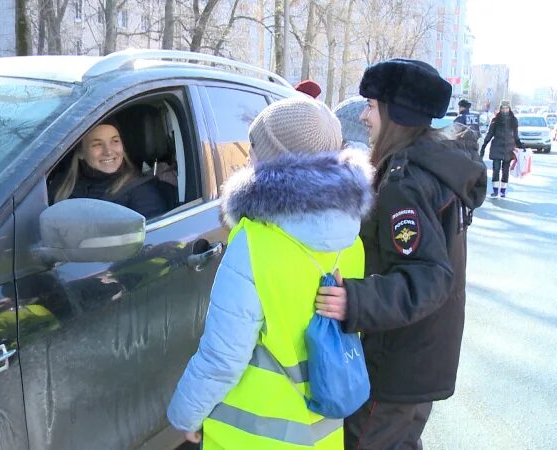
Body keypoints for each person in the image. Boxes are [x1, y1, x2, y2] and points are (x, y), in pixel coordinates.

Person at [167, 96, 374, 449]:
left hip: (253, 434)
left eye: (253, 147)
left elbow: (223, 356)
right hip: (320, 432)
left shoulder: (255, 241)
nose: (247, 157)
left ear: (274, 157)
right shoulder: (351, 241)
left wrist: (185, 414)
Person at [314, 58, 487, 449]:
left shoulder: (405, 183)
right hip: (419, 356)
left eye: (372, 106)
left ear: (396, 114)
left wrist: (353, 299)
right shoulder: (436, 167)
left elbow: (428, 276)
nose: (364, 115)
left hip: (396, 362)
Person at [50, 120, 168, 218]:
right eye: (97, 144)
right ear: (81, 152)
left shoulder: (141, 191)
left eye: (115, 141)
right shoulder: (60, 185)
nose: (108, 151)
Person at [480, 100, 523, 197]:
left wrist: (520, 146)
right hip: (497, 148)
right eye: (503, 108)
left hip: (509, 149)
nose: (505, 110)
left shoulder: (513, 120)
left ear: (509, 108)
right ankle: (495, 191)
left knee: (505, 171)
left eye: (506, 108)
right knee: (496, 169)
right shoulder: (495, 120)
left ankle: (503, 191)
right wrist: (484, 145)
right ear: (500, 108)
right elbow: (490, 134)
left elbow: (516, 136)